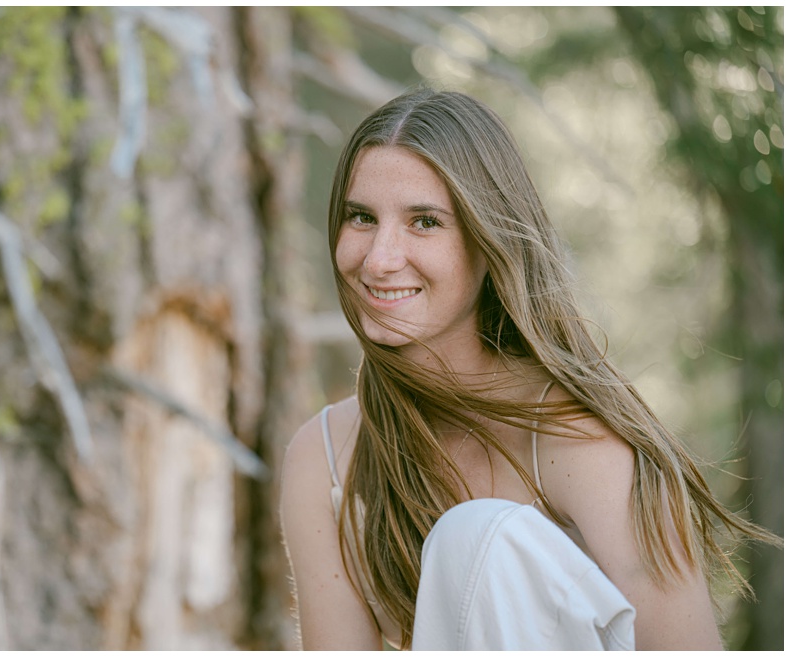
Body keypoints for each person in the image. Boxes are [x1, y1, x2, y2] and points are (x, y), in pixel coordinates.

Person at [279, 88, 780, 650]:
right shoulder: (322, 455)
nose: (379, 258)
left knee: (473, 539)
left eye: (424, 222)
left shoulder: (584, 441)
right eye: (361, 217)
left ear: (488, 236)